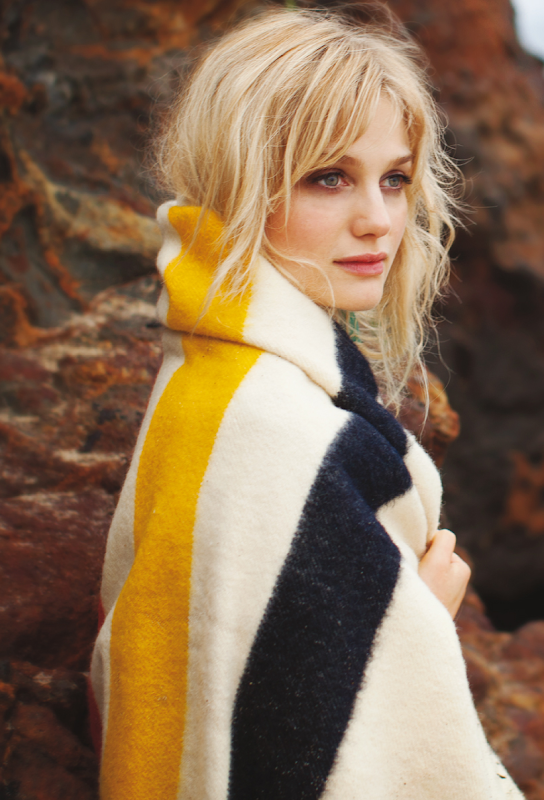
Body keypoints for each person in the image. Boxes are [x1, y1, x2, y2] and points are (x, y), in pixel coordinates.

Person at [90, 5, 524, 799]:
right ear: (240, 183)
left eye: (395, 179)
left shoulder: (209, 372)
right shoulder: (281, 431)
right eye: (329, 177)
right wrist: (411, 627)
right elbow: (289, 751)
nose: (379, 221)